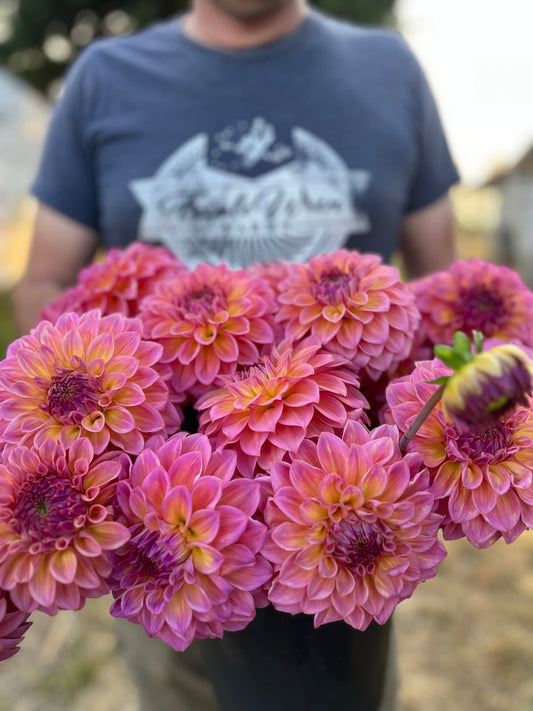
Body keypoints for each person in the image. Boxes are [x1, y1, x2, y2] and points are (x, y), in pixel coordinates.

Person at [11, 1, 459, 709]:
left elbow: (447, 292)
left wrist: (439, 442)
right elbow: (44, 278)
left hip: (343, 502)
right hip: (153, 535)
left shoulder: (389, 69)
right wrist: (105, 426)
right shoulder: (104, 76)